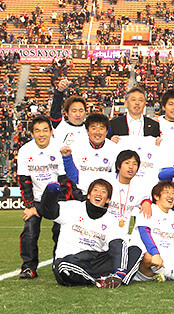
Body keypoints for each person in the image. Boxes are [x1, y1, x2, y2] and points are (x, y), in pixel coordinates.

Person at [39, 178, 143, 287]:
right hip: (71, 260)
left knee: (135, 251)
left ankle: (117, 280)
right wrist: (50, 194)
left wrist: (119, 271)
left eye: (103, 192)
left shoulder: (111, 219)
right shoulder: (72, 207)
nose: (99, 194)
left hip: (95, 261)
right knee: (64, 265)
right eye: (95, 190)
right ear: (88, 195)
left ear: (108, 199)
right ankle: (98, 281)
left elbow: (117, 245)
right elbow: (48, 212)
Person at [18, 116, 70, 279]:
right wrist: (30, 205)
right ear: (32, 134)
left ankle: (59, 264)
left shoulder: (59, 148)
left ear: (51, 132)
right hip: (36, 200)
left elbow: (64, 180)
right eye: (37, 131)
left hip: (56, 199)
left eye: (45, 130)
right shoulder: (25, 151)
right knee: (30, 231)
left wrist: (61, 204)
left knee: (60, 231)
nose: (42, 134)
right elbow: (24, 181)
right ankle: (28, 267)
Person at [69, 113, 121, 193]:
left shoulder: (115, 149)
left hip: (105, 193)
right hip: (81, 193)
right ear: (87, 131)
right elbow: (74, 175)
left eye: (101, 128)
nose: (97, 132)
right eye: (93, 128)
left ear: (107, 131)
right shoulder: (76, 147)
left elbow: (116, 175)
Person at [49, 78, 88, 146]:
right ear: (66, 113)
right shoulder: (60, 125)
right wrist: (59, 91)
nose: (78, 114)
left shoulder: (90, 130)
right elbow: (55, 110)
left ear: (85, 112)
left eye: (81, 110)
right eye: (74, 111)